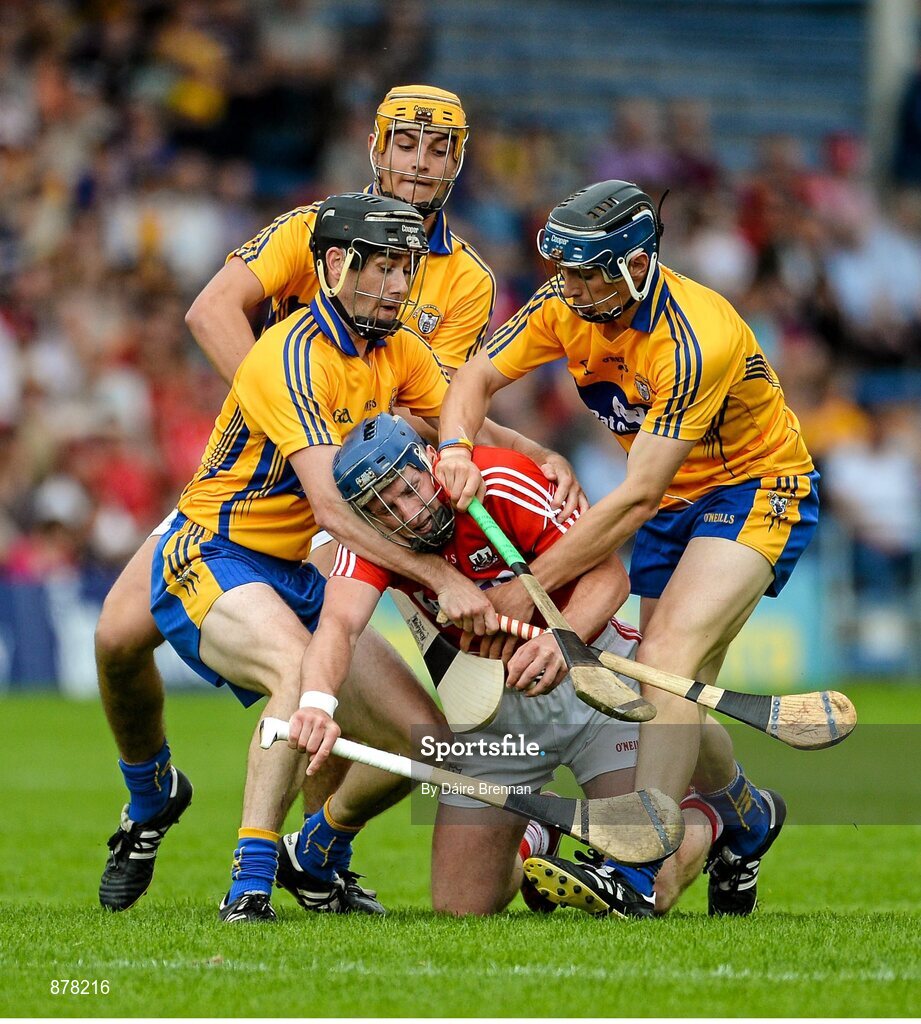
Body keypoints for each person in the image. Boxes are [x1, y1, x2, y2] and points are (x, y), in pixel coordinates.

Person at [96, 86, 582, 913]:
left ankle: (313, 854)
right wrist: (294, 416)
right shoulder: (314, 230)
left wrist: (537, 455)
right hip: (256, 498)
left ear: (457, 163)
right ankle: (151, 799)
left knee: (356, 701)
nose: (418, 165)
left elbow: (441, 410)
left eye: (437, 151)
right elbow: (214, 312)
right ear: (375, 150)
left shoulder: (461, 281)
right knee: (115, 644)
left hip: (357, 509)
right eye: (404, 146)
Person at [435, 179, 819, 916]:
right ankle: (741, 815)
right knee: (670, 683)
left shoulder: (692, 335)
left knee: (665, 659)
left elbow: (637, 495)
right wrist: (455, 445)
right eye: (563, 271)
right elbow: (475, 377)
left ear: (635, 265)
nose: (567, 288)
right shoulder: (563, 306)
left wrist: (530, 586)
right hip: (675, 502)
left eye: (586, 273)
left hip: (753, 486)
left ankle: (636, 867)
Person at [281, 413, 712, 917]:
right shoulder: (375, 541)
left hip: (595, 680)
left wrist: (560, 641)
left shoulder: (499, 480)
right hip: (495, 710)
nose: (409, 511)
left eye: (409, 487)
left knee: (647, 880)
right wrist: (316, 702)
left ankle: (714, 815)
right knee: (461, 908)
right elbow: (338, 625)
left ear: (429, 461)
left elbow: (610, 577)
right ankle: (536, 837)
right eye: (386, 506)